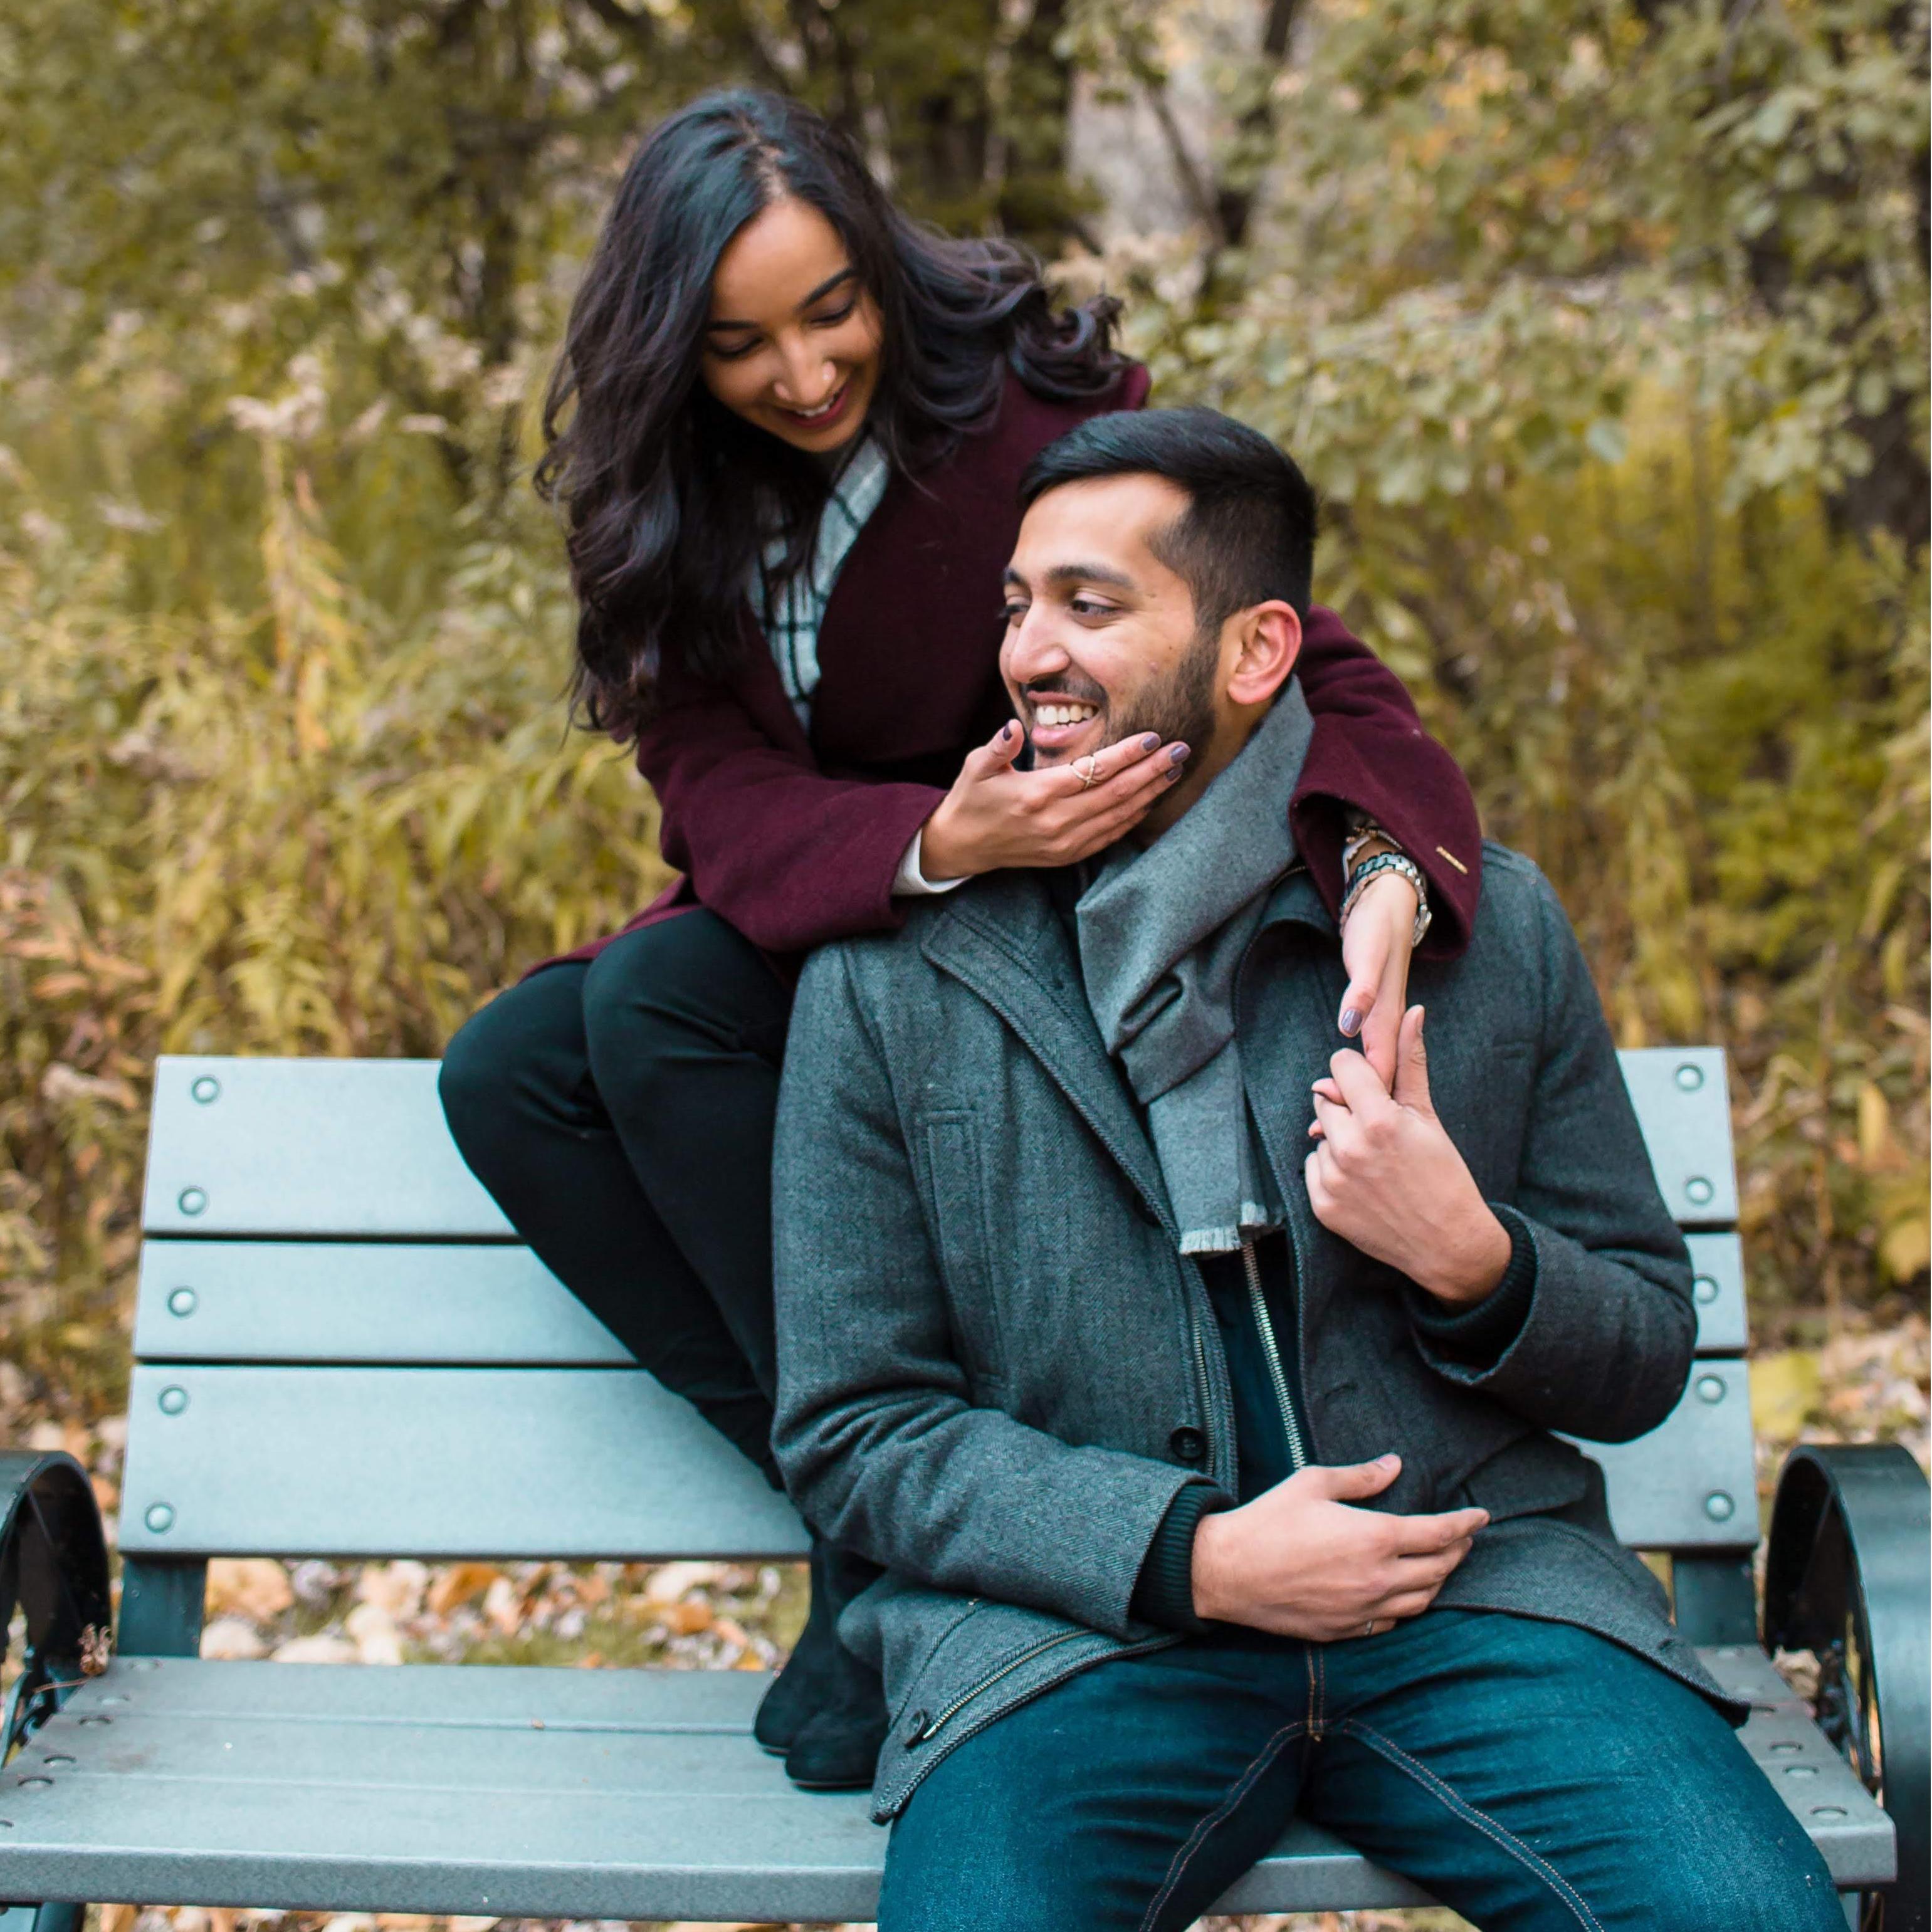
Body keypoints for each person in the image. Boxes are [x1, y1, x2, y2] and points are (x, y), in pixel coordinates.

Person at [437, 88, 1488, 1793]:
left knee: (650, 1004)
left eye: (829, 311)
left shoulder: (1032, 413)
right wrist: (936, 837)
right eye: (738, 344)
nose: (800, 374)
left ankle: (904, 1542)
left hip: (1046, 939)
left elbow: (1300, 650)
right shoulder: (668, 499)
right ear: (669, 348)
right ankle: (880, 1518)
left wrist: (1377, 855)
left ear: (879, 267)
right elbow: (710, 787)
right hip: (871, 892)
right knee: (511, 1071)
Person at [769, 408, 1845, 1928]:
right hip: (1078, 1638)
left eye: (1090, 604)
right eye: (1016, 604)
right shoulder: (893, 978)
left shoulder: (1470, 927)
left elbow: (1642, 1352)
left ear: (1256, 649)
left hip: (1476, 1597)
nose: (1027, 652)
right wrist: (1189, 1555)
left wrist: (1477, 1262)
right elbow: (854, 1425)